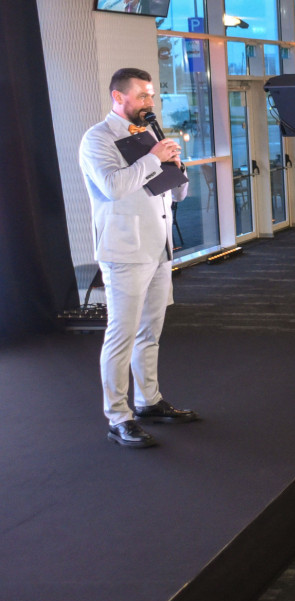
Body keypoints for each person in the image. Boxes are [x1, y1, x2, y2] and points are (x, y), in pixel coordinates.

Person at [79, 68, 198, 448]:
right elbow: (113, 187)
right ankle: (118, 417)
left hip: (158, 248)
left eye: (152, 95)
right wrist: (152, 158)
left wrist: (177, 169)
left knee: (150, 333)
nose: (150, 103)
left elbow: (173, 194)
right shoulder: (97, 138)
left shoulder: (148, 137)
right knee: (122, 336)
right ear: (118, 97)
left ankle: (149, 401)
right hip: (125, 252)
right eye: (143, 95)